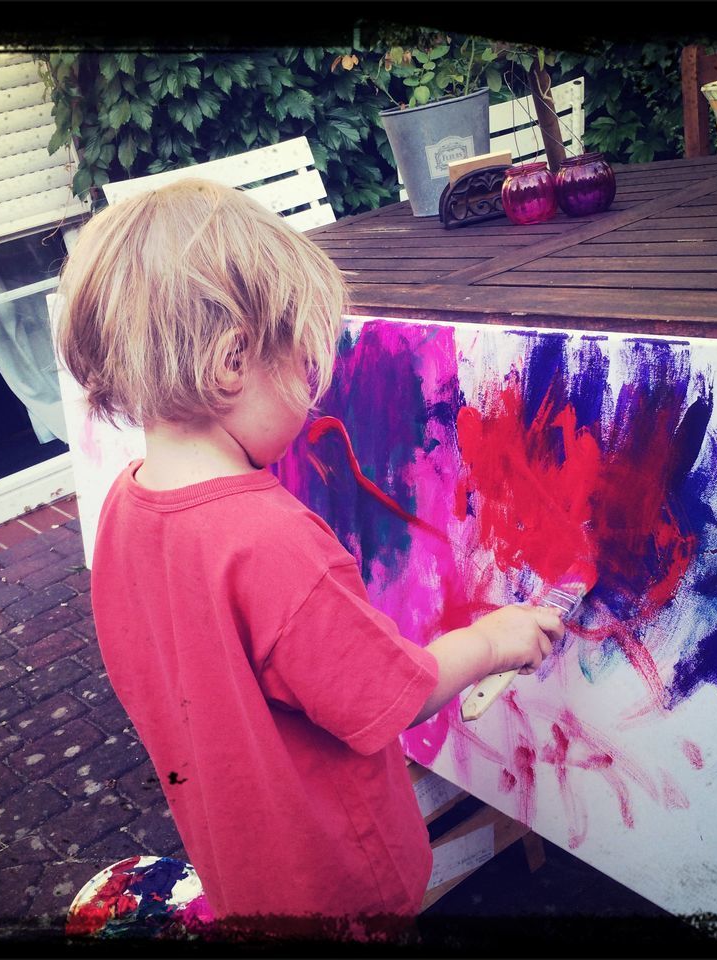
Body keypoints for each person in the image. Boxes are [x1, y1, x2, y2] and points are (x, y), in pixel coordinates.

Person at [55, 178, 563, 938]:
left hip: (242, 867)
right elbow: (389, 696)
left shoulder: (127, 508)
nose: (314, 397)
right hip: (335, 892)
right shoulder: (270, 541)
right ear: (232, 361)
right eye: (303, 369)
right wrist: (492, 641)